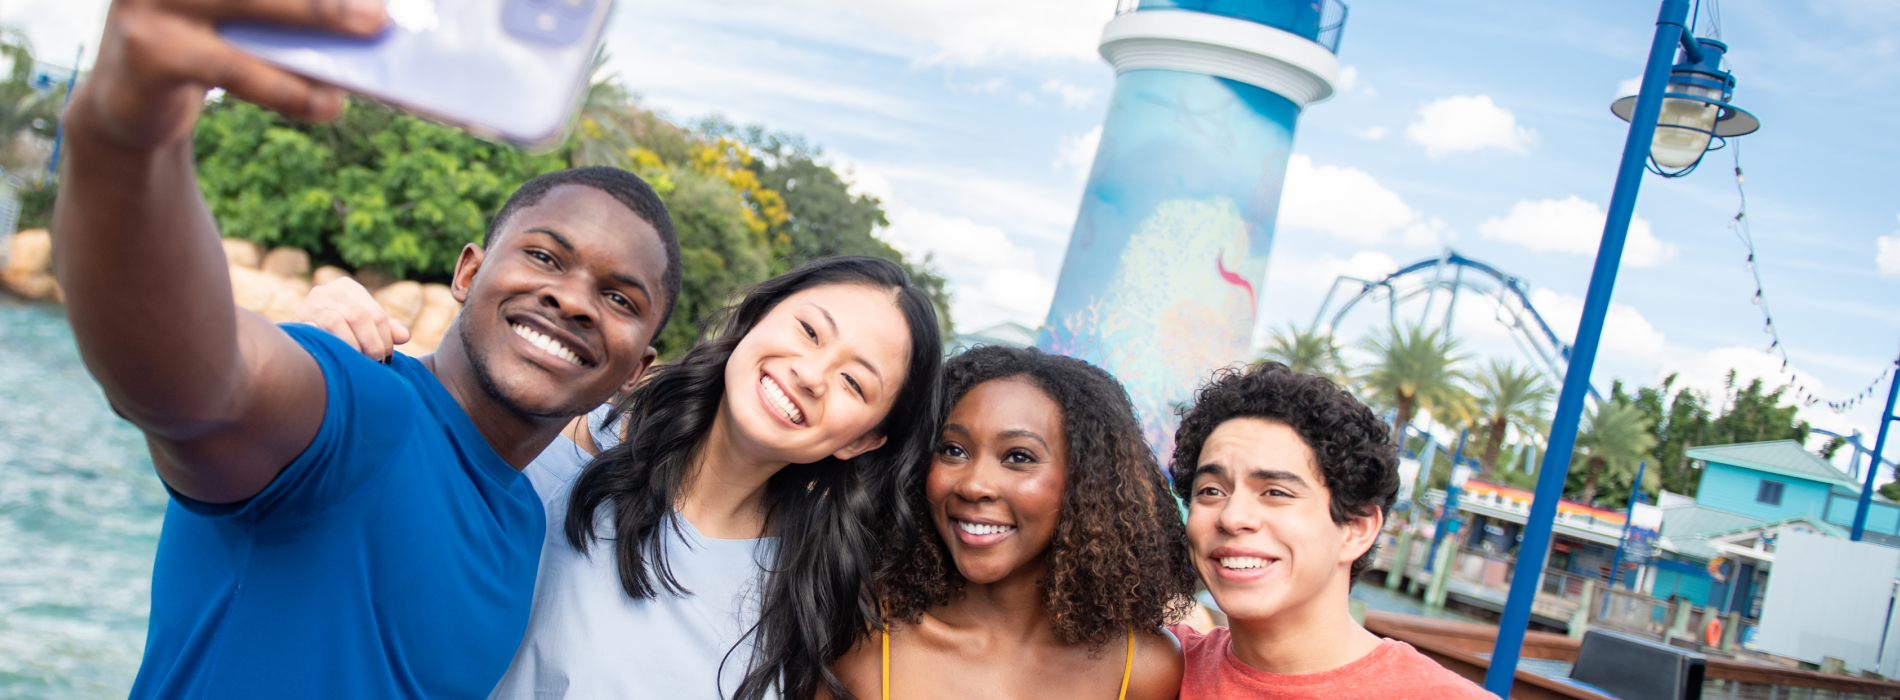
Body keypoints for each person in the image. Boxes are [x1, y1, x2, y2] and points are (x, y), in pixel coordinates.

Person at [54, 1, 684, 696]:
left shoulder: (522, 523)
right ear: (468, 272)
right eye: (543, 256)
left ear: (639, 370)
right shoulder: (362, 406)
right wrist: (125, 128)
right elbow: (192, 384)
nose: (572, 300)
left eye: (621, 299)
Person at [297, 255, 945, 699]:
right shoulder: (555, 441)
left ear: (865, 439)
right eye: (808, 331)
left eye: (855, 382)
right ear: (754, 317)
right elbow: (406, 418)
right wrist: (333, 327)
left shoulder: (811, 594)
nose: (811, 373)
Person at [821, 345, 1196, 700]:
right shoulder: (859, 635)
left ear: (1089, 482)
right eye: (953, 450)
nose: (974, 485)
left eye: (1019, 456)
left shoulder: (1145, 668)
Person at [1167, 363, 1491, 699]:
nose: (1232, 518)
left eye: (1276, 492)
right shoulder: (1146, 669)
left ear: (1356, 528)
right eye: (1211, 491)